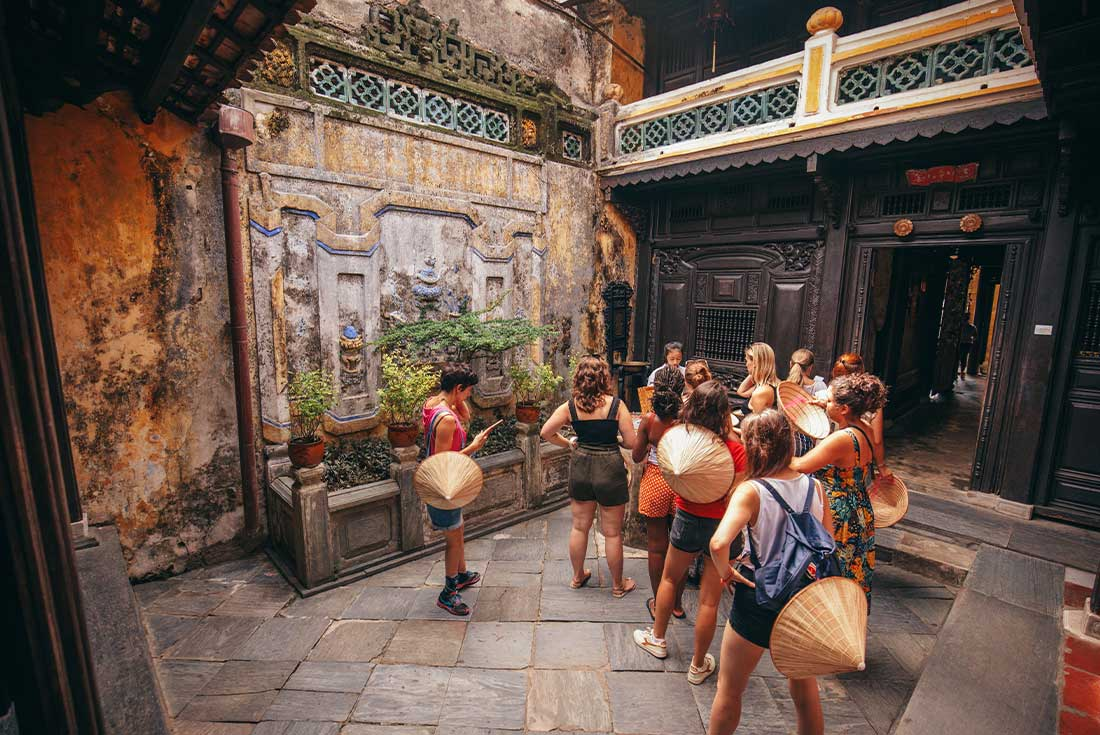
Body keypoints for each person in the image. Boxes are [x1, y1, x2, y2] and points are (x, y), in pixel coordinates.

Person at [708, 409, 832, 735]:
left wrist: (726, 572)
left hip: (758, 594)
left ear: (753, 447)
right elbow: (827, 543)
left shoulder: (752, 491)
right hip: (802, 595)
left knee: (730, 688)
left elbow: (719, 543)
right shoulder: (815, 488)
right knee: (804, 686)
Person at [633, 380, 747, 686]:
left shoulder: (679, 437)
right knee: (710, 600)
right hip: (722, 526)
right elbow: (737, 493)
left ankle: (657, 638)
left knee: (670, 579)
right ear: (724, 412)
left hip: (687, 516)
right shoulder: (736, 449)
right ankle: (698, 664)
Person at [542, 355, 638, 597]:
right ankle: (617, 585)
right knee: (612, 532)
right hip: (610, 468)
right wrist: (615, 439)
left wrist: (568, 443)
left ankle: (577, 577)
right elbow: (631, 442)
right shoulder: (617, 406)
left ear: (579, 378)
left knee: (579, 527)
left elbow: (546, 432)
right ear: (604, 378)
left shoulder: (570, 407)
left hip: (581, 466)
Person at [791, 372, 887, 604]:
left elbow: (800, 465)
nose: (825, 403)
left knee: (831, 571)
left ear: (844, 408)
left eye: (830, 400)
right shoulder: (864, 428)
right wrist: (827, 406)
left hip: (838, 514)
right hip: (859, 509)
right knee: (852, 571)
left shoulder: (842, 439)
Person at [422, 363, 499, 615]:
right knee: (453, 540)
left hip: (449, 482)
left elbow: (464, 417)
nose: (470, 396)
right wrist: (474, 446)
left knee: (459, 528)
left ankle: (462, 573)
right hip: (444, 484)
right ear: (458, 388)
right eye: (467, 391)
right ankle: (448, 593)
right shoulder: (445, 420)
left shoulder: (433, 403)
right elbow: (442, 460)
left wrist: (458, 400)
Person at [631, 389, 687, 620]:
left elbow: (636, 456)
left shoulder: (650, 420)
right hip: (682, 482)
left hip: (656, 479)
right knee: (681, 547)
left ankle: (658, 602)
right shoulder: (686, 421)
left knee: (656, 547)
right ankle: (677, 605)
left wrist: (648, 445)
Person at [825, 353, 887, 474]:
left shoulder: (827, 396)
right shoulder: (870, 402)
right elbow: (877, 441)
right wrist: (881, 466)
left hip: (827, 459)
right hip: (856, 464)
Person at [786, 348, 827, 457]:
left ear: (790, 364)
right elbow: (823, 414)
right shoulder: (819, 386)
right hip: (807, 439)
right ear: (810, 367)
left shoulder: (785, 387)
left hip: (786, 437)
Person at [735, 342, 780, 415]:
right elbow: (741, 392)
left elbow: (757, 421)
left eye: (747, 361)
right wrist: (754, 372)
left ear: (755, 362)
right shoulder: (765, 384)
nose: (746, 364)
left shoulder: (762, 391)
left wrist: (756, 368)